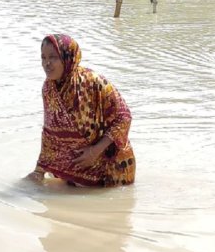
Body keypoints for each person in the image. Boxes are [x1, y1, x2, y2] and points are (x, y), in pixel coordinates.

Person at [26, 34, 136, 187]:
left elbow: (124, 117)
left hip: (110, 169)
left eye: (53, 57)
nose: (47, 63)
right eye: (43, 58)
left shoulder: (94, 83)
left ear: (68, 57)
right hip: (74, 172)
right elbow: (50, 134)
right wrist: (39, 170)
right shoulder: (48, 88)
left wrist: (95, 151)